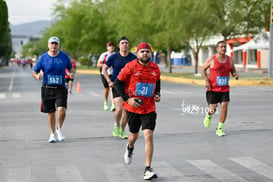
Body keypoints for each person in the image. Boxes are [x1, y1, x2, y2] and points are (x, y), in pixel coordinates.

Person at [114, 43, 161, 180]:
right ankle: (130, 147)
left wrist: (157, 93)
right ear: (138, 53)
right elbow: (117, 83)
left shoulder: (155, 68)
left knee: (148, 135)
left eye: (147, 51)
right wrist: (127, 99)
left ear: (150, 54)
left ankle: (148, 168)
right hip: (133, 108)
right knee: (134, 135)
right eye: (142, 52)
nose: (145, 54)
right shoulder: (131, 66)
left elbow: (157, 81)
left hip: (149, 107)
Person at [32, 36, 74, 143]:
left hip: (61, 88)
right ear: (48, 45)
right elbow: (34, 71)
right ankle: (52, 134)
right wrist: (38, 77)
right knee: (51, 112)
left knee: (62, 109)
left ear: (58, 45)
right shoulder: (43, 58)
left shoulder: (64, 57)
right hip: (47, 88)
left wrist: (71, 73)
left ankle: (59, 129)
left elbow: (71, 68)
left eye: (56, 44)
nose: (54, 46)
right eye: (52, 43)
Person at [201, 40, 239, 137]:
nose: (223, 48)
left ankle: (219, 128)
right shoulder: (212, 59)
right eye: (221, 47)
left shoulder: (230, 60)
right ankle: (209, 115)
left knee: (224, 106)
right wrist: (206, 80)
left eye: (225, 47)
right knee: (213, 109)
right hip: (213, 89)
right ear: (217, 49)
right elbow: (203, 69)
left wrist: (235, 74)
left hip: (225, 89)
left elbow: (233, 70)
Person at [102, 36, 137, 139]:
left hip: (129, 86)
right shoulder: (113, 57)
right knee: (119, 109)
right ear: (119, 45)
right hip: (117, 85)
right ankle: (117, 125)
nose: (125, 44)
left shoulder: (133, 58)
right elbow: (104, 68)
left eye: (126, 43)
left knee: (127, 110)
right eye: (122, 43)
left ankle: (122, 130)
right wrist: (109, 81)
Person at [97, 42, 115, 111]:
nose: (111, 47)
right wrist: (106, 65)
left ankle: (113, 104)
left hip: (113, 74)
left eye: (112, 46)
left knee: (112, 88)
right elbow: (99, 64)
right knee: (106, 88)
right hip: (105, 73)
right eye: (110, 46)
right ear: (107, 47)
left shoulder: (115, 55)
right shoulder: (104, 55)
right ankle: (106, 102)